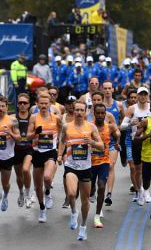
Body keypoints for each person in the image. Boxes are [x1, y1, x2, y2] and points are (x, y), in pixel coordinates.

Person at [57, 101, 104, 241]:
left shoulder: (91, 127)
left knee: (85, 201)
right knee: (71, 194)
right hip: (71, 165)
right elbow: (61, 141)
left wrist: (92, 142)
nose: (78, 112)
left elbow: (101, 146)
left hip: (86, 167)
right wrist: (60, 155)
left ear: (85, 112)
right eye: (76, 109)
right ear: (73, 110)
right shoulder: (66, 126)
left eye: (81, 110)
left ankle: (83, 226)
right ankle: (73, 212)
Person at [26, 92, 63, 223]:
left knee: (47, 177)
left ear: (50, 104)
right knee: (37, 186)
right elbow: (28, 136)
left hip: (50, 151)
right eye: (41, 103)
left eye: (46, 103)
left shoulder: (56, 118)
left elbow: (62, 133)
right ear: (37, 104)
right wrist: (36, 132)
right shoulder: (34, 118)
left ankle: (48, 192)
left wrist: (60, 151)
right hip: (37, 152)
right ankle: (42, 208)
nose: (43, 105)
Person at [120, 87, 151, 203]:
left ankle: (144, 190)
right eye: (140, 94)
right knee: (134, 168)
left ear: (147, 96)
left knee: (145, 168)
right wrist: (130, 124)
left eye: (145, 94)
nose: (143, 97)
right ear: (137, 96)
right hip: (131, 141)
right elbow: (122, 126)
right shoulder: (131, 109)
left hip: (147, 141)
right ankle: (138, 191)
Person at [102, 81, 123, 205]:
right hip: (100, 141)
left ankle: (109, 193)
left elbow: (124, 120)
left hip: (113, 140)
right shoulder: (99, 106)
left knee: (110, 165)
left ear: (113, 89)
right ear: (102, 89)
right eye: (105, 88)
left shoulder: (119, 105)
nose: (107, 90)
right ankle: (98, 189)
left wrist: (117, 129)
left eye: (109, 88)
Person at [13, 93, 35, 209]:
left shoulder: (32, 118)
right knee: (19, 176)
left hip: (28, 149)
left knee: (26, 170)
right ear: (17, 104)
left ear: (28, 105)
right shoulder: (13, 118)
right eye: (20, 103)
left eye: (24, 103)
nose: (22, 105)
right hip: (16, 150)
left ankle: (27, 194)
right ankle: (21, 192)